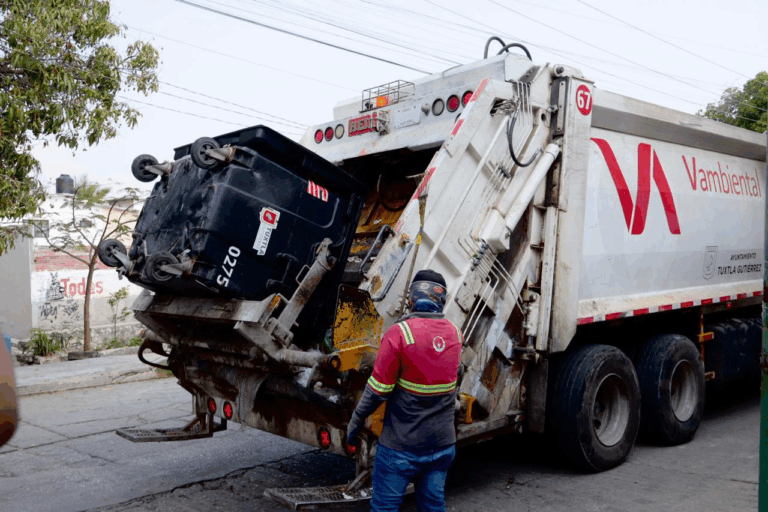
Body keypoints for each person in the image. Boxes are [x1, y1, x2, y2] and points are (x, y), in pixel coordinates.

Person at [347, 269, 462, 512]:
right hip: (442, 446)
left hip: (401, 448)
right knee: (433, 506)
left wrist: (355, 422)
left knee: (385, 508)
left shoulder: (399, 334)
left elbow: (377, 391)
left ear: (411, 298)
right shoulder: (455, 333)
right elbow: (455, 375)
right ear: (441, 299)